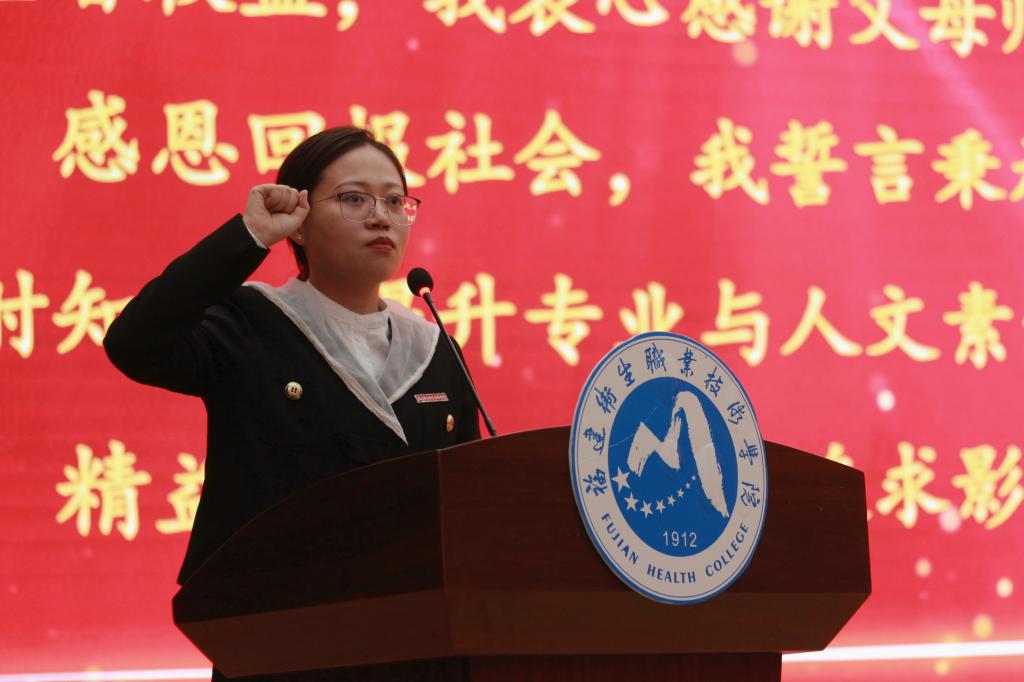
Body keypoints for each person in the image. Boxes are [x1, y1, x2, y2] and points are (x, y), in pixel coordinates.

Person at [103, 127, 481, 677]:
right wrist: (248, 237)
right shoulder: (251, 323)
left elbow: (469, 504)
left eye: (395, 201)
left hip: (416, 642)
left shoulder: (435, 348)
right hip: (279, 637)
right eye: (354, 199)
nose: (382, 217)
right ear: (299, 221)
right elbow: (134, 343)